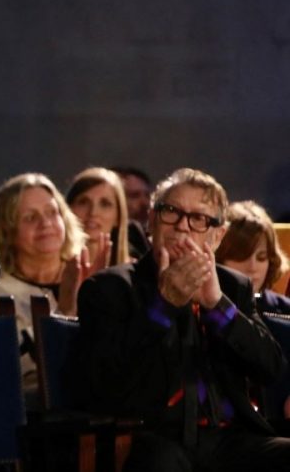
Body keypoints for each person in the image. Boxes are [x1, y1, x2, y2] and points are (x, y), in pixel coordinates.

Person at [77, 168, 290, 471]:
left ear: (218, 236)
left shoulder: (233, 287)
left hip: (229, 437)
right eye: (171, 211)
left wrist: (218, 305)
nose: (182, 226)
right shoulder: (110, 288)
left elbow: (271, 368)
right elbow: (105, 384)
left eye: (199, 218)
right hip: (151, 435)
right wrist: (163, 305)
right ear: (151, 220)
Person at [0, 173, 88, 400]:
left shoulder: (88, 274)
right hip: (32, 416)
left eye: (52, 213)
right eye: (30, 218)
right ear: (7, 231)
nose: (45, 224)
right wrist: (64, 312)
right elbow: (7, 367)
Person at [216, 200, 290, 314]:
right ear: (218, 259)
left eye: (261, 257)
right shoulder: (201, 313)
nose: (252, 267)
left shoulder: (285, 310)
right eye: (242, 256)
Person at [66, 166, 144, 264]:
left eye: (105, 204)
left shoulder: (135, 274)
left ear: (118, 217)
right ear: (69, 209)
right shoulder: (50, 272)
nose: (93, 212)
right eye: (84, 202)